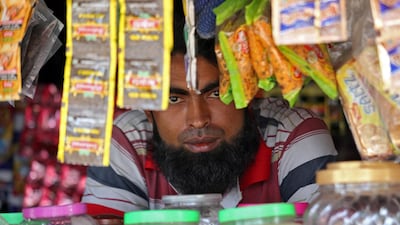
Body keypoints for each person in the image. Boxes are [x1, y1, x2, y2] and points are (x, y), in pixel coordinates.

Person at [81, 3, 338, 216]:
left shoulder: (291, 134)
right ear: (148, 110)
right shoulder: (127, 139)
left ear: (247, 93)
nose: (198, 119)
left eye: (216, 94)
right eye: (174, 99)